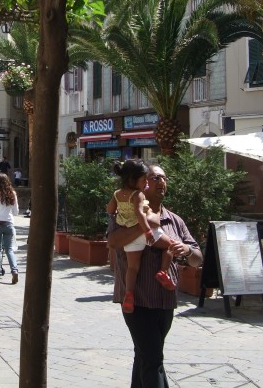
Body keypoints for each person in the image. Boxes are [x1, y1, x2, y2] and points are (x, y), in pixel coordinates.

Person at [107, 163, 202, 387]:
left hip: (165, 301)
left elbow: (197, 257)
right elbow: (113, 242)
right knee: (153, 358)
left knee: (144, 356)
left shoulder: (174, 221)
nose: (161, 182)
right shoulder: (124, 215)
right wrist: (145, 226)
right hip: (136, 301)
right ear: (142, 183)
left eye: (163, 178)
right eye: (154, 178)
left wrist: (186, 250)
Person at [107, 160, 177, 313]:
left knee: (132, 268)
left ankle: (129, 294)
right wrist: (147, 231)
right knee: (171, 244)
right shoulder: (138, 195)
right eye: (144, 180)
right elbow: (141, 215)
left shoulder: (117, 194)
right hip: (146, 231)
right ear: (133, 180)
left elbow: (110, 209)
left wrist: (121, 213)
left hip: (128, 234)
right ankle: (163, 272)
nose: (146, 183)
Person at [0, 173, 20, 283]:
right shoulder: (12, 194)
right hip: (8, 223)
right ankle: (14, 270)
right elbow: (16, 212)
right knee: (9, 249)